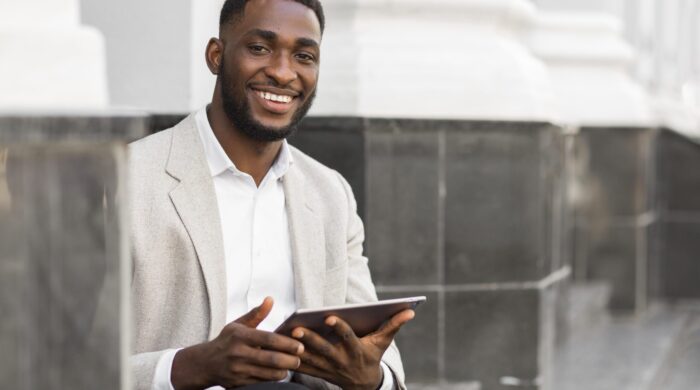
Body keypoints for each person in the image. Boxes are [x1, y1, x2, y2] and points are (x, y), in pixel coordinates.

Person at [128, 0, 414, 389]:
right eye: (260, 48)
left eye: (304, 56)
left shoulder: (330, 193)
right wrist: (188, 366)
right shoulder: (126, 179)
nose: (283, 73)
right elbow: (62, 356)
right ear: (216, 55)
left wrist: (373, 379)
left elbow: (372, 345)